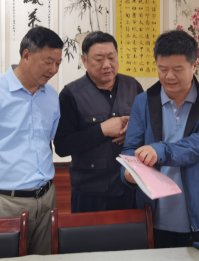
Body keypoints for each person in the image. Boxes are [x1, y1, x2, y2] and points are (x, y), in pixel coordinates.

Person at [0, 26, 63, 255]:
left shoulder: (51, 96)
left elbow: (47, 142)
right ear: (26, 55)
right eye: (48, 62)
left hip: (46, 198)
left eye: (58, 63)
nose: (53, 70)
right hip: (4, 203)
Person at [121, 30, 199, 248]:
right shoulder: (143, 101)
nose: (169, 76)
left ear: (194, 66)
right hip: (155, 211)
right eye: (162, 69)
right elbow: (131, 148)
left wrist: (160, 150)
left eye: (178, 69)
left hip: (198, 211)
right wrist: (128, 173)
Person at [54, 31, 143, 213]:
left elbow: (150, 129)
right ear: (84, 61)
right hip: (89, 192)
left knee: (134, 233)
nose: (107, 65)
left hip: (130, 186)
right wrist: (102, 129)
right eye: (98, 59)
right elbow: (62, 146)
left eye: (111, 57)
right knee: (89, 233)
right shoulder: (70, 94)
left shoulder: (133, 86)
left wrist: (133, 133)